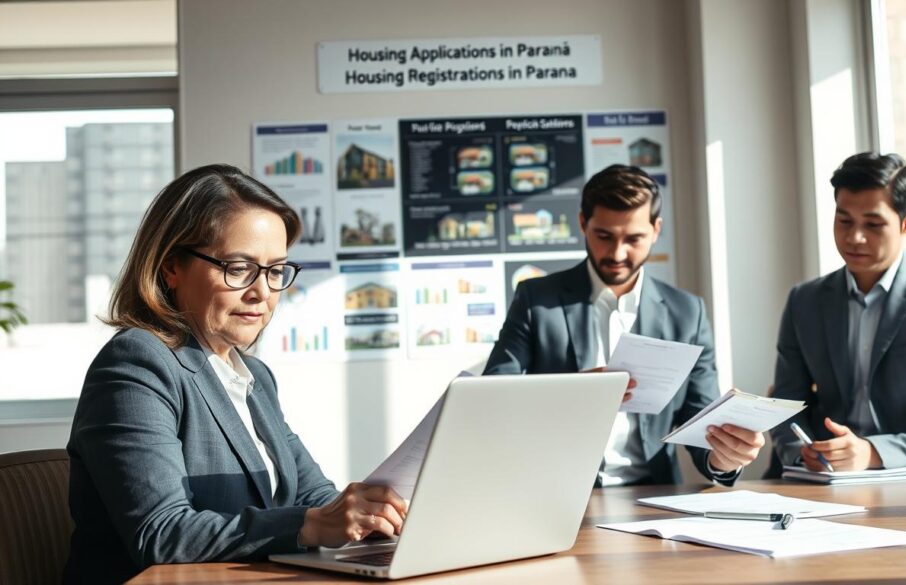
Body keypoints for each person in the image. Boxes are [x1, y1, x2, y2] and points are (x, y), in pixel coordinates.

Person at [65, 165, 406, 583]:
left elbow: (310, 495)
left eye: (276, 270)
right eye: (239, 267)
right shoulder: (137, 362)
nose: (261, 292)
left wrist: (377, 517)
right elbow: (162, 532)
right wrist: (314, 524)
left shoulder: (254, 376)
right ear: (172, 266)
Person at [484, 164, 764, 486]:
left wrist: (724, 456)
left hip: (653, 497)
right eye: (604, 236)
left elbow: (697, 419)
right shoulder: (536, 300)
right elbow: (493, 395)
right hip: (555, 490)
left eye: (634, 239)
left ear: (656, 230)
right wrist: (570, 395)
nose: (617, 253)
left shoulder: (688, 312)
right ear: (582, 224)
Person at [769, 152, 906, 473]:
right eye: (844, 221)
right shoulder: (805, 301)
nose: (854, 237)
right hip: (817, 481)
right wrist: (802, 453)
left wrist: (871, 453)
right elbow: (785, 405)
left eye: (873, 224)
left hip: (905, 485)